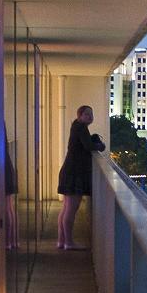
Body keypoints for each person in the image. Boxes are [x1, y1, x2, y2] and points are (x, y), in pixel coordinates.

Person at [56, 104, 105, 250]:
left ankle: (62, 241)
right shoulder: (81, 128)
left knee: (66, 208)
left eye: (91, 114)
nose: (90, 117)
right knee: (71, 208)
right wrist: (100, 146)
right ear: (80, 116)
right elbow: (88, 146)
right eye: (87, 114)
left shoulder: (76, 127)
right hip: (74, 173)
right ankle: (68, 242)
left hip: (69, 171)